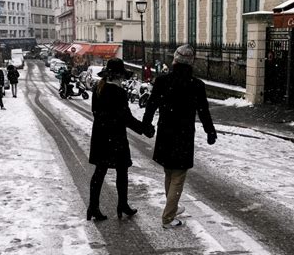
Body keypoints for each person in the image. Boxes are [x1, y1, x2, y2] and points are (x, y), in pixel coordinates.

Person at [142, 44, 217, 229]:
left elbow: (151, 104)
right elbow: (203, 111)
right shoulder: (196, 85)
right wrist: (210, 131)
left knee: (169, 171)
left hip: (166, 132)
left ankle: (172, 207)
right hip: (183, 135)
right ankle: (168, 217)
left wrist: (146, 124)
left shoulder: (162, 81)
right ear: (191, 63)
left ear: (174, 60)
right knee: (178, 175)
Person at [88, 58, 146, 221]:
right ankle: (122, 204)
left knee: (99, 172)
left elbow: (96, 111)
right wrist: (144, 129)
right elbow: (126, 117)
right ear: (118, 75)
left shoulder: (97, 88)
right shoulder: (118, 92)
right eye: (122, 76)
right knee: (122, 172)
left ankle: (93, 206)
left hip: (100, 136)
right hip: (116, 137)